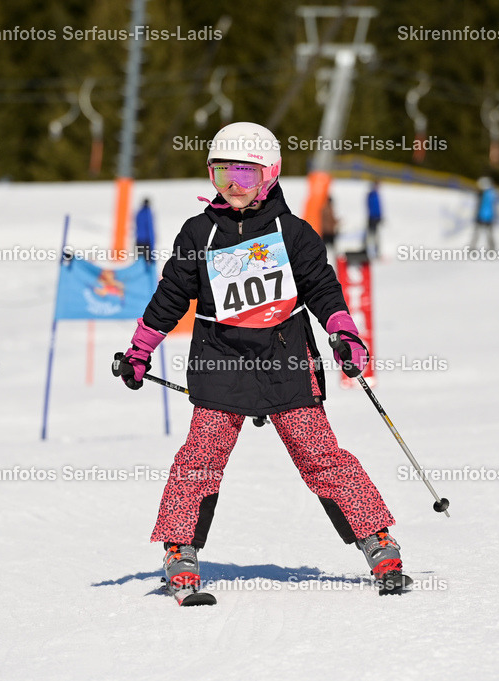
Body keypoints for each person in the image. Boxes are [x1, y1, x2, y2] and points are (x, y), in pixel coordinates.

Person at [114, 122, 403, 603]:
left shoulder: (293, 233)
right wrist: (140, 349)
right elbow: (170, 297)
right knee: (200, 457)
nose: (232, 185)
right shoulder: (199, 232)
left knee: (321, 455)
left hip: (284, 357)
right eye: (221, 174)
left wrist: (344, 333)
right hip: (221, 359)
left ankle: (377, 541)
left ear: (269, 175)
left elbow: (322, 289)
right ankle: (179, 551)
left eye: (244, 175)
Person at [470, 176, 497, 250]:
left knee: (480, 233)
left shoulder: (486, 195)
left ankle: (491, 248)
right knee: (484, 234)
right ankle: (491, 248)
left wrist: (482, 217)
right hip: (487, 217)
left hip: (484, 217)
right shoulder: (490, 193)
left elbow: (485, 207)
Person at [366, 180, 383, 258]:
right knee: (371, 236)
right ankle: (370, 252)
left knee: (376, 236)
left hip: (376, 218)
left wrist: (380, 216)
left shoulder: (376, 195)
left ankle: (376, 252)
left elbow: (379, 207)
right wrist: (375, 216)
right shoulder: (372, 195)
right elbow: (372, 208)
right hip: (372, 218)